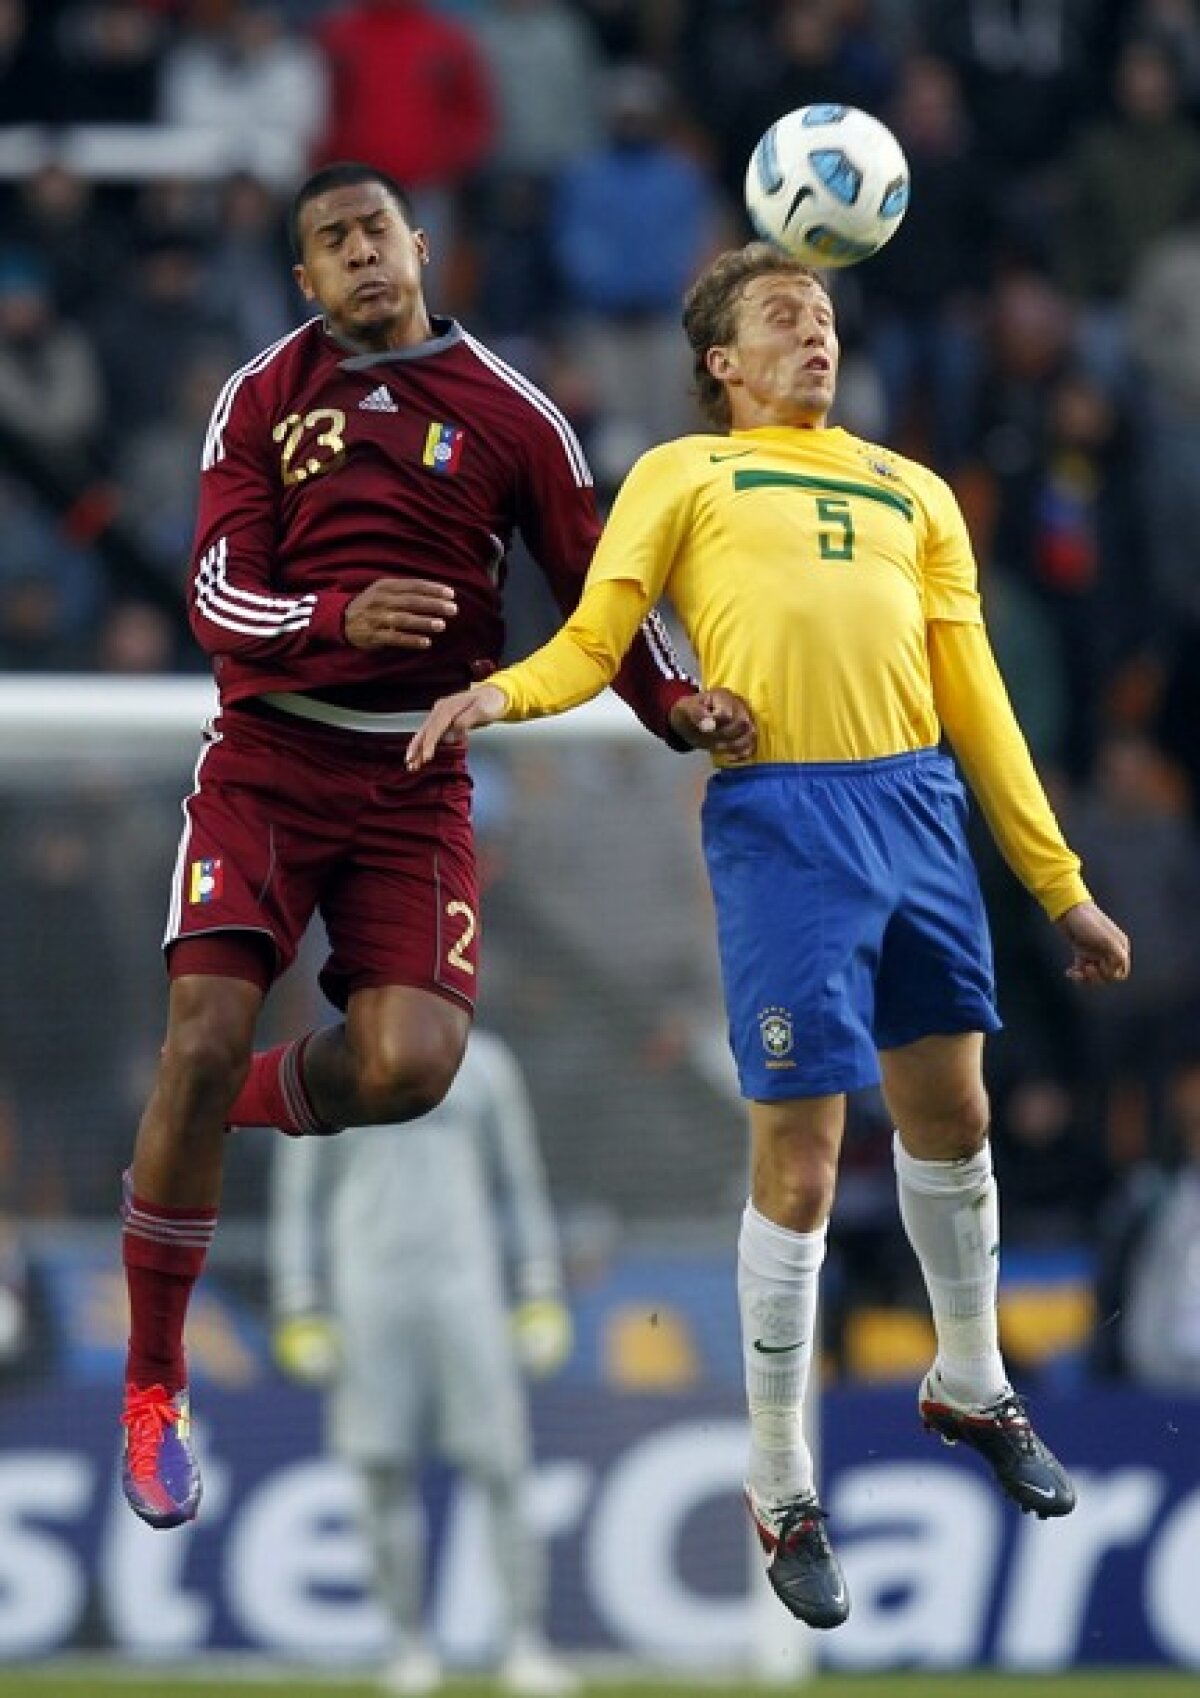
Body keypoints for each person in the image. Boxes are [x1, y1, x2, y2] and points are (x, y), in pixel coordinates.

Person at [406, 242, 1132, 1631]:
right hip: (785, 820)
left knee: (954, 1111)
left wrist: (1061, 886)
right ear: (719, 364)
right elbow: (596, 637)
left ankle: (970, 1377)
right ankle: (783, 1476)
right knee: (800, 1153)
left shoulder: (913, 489)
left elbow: (975, 697)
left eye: (825, 315)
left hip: (915, 803)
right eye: (781, 318)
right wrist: (498, 697)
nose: (815, 333)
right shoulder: (684, 476)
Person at [117, 160, 755, 1533]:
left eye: (375, 230)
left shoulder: (514, 411)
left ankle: (214, 1099)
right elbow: (215, 594)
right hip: (271, 761)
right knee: (206, 1016)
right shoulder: (263, 397)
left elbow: (601, 591)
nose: (358, 253)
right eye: (329, 241)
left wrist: (682, 706)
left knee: (411, 1068)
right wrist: (338, 616)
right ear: (305, 277)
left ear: (423, 243)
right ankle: (156, 1385)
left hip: (415, 773)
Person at [270, 1026, 577, 1696]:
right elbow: (300, 1198)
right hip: (368, 1292)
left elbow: (520, 1181)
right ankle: (406, 1646)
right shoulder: (326, 1066)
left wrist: (539, 1288)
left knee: (501, 1464)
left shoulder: (487, 1064)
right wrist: (298, 1304)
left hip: (466, 1289)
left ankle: (524, 1642)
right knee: (380, 1470)